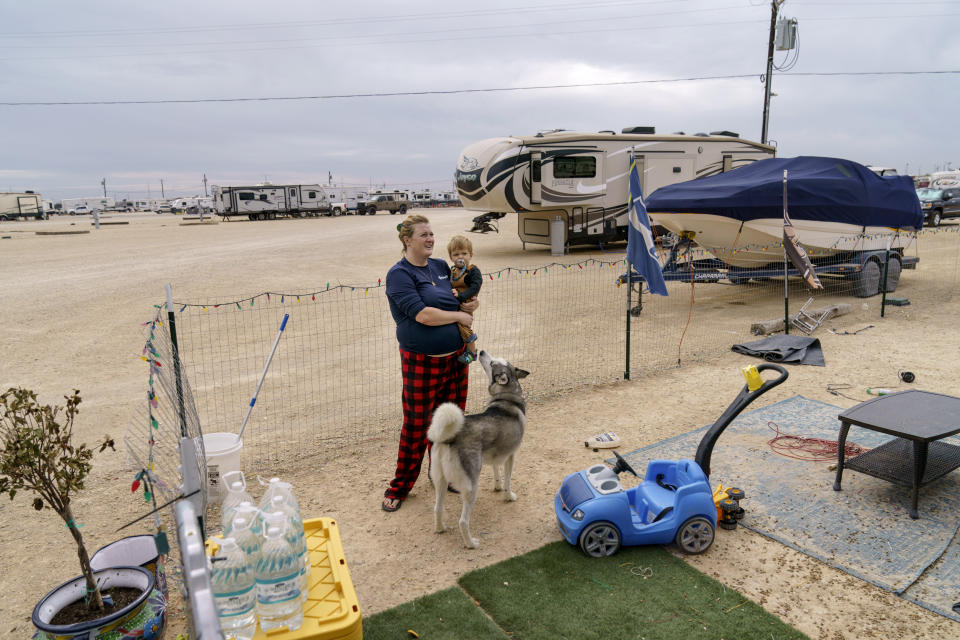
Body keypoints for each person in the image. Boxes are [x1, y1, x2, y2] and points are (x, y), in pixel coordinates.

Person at [382, 215, 479, 512]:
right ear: (407, 239)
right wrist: (461, 317)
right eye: (424, 234)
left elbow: (458, 299)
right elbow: (423, 315)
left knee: (451, 423)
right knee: (417, 426)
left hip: (455, 360)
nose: (430, 239)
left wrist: (470, 305)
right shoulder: (399, 275)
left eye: (432, 234)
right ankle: (401, 485)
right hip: (422, 362)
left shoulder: (440, 267)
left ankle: (444, 475)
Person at [447, 235, 483, 364]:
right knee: (456, 326)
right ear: (451, 257)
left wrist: (461, 296)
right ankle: (462, 349)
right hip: (456, 304)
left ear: (471, 255)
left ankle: (472, 353)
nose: (460, 257)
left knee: (464, 327)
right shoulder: (453, 270)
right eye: (456, 254)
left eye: (464, 253)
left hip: (465, 303)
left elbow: (475, 286)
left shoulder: (473, 271)